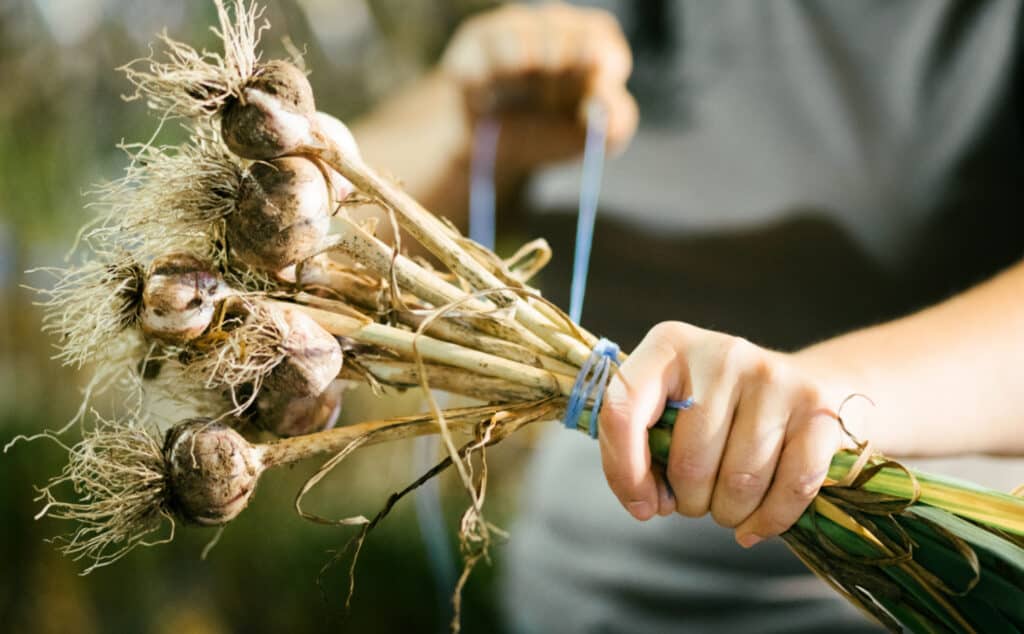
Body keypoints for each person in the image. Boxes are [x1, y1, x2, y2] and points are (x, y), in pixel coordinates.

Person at [349, 1, 1024, 631]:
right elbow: (316, 217)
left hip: (895, 598)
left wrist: (815, 405)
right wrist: (466, 133)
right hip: (573, 599)